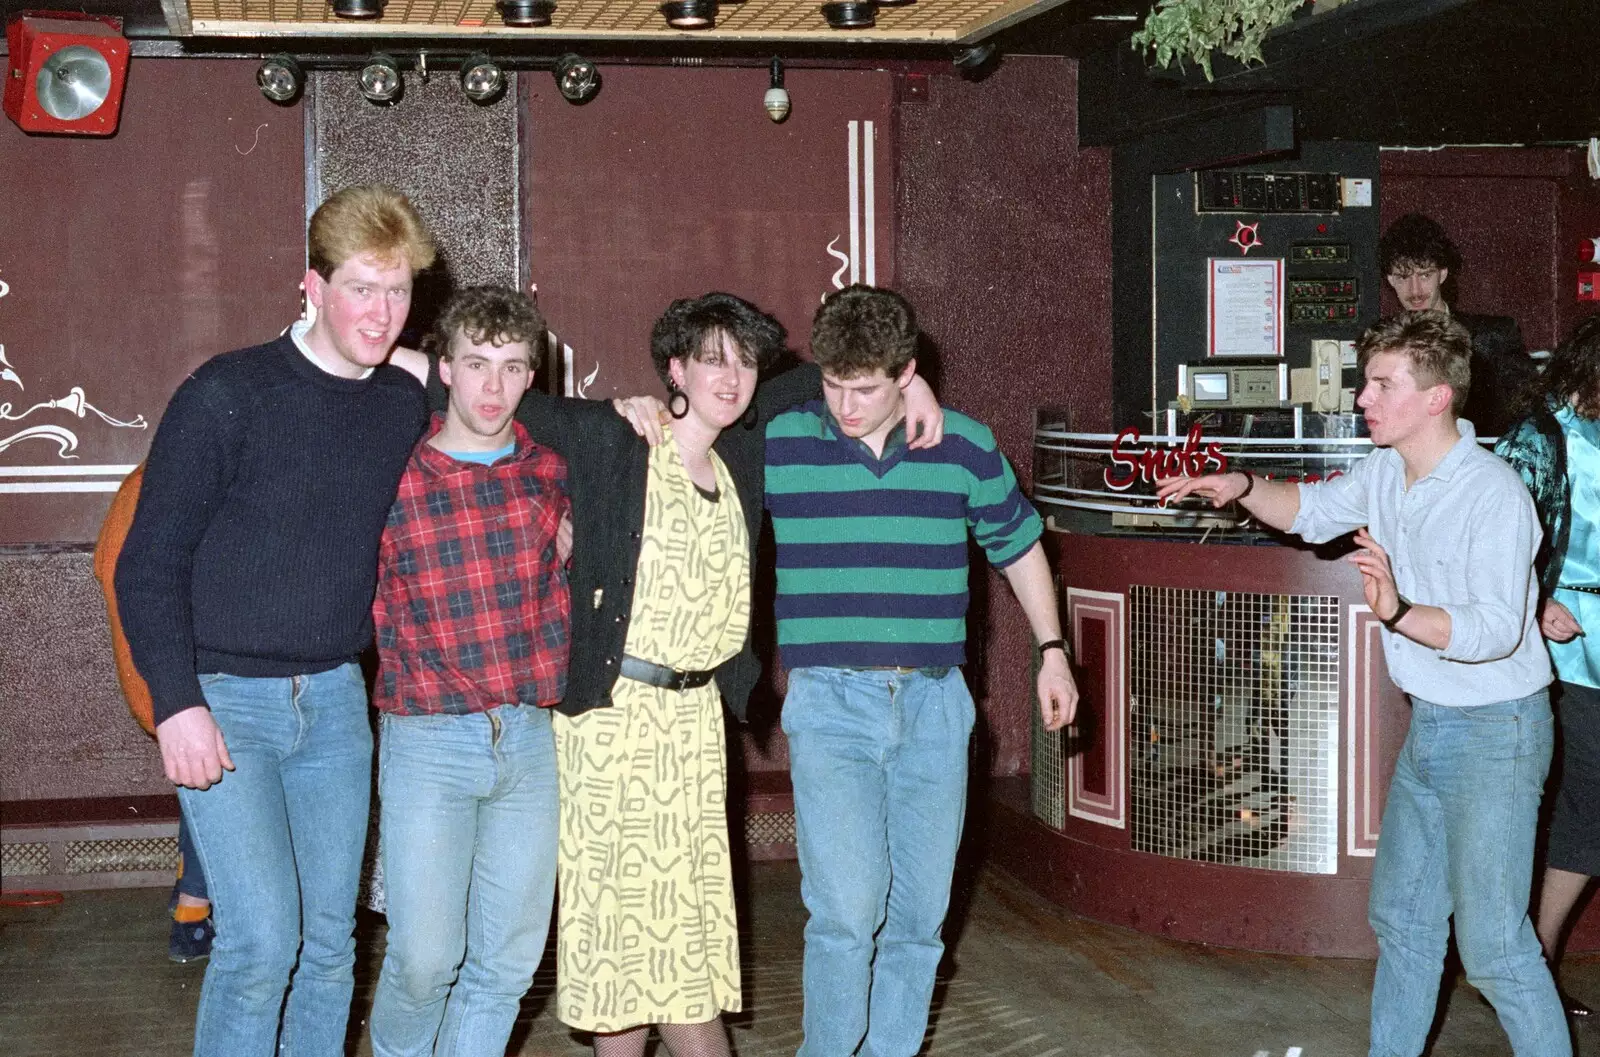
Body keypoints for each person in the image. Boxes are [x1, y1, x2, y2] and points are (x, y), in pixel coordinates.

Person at [393, 291, 943, 1057]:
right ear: (674, 368)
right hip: (614, 731)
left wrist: (913, 382)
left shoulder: (740, 456)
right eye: (711, 358)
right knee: (632, 958)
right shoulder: (617, 439)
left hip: (693, 734)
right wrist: (356, 340)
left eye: (744, 361)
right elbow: (476, 385)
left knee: (670, 950)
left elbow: (827, 378)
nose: (731, 376)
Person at [1158, 310, 1565, 1057]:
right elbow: (1311, 512)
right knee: (1404, 922)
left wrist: (1400, 610)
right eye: (1366, 382)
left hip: (1497, 731)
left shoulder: (1494, 493)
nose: (1362, 398)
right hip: (1434, 725)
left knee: (1495, 948)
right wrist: (1243, 483)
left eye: (1383, 383)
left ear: (1438, 397)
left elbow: (1495, 630)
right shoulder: (1385, 472)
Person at [116, 183, 436, 1057]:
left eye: (399, 290)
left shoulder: (399, 400)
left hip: (335, 700)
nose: (382, 312)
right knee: (261, 945)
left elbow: (502, 393)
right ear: (311, 286)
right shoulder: (226, 394)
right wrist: (175, 702)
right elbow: (147, 564)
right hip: (225, 704)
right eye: (362, 288)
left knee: (330, 948)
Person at [765, 284, 1079, 1057]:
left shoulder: (964, 446)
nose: (843, 403)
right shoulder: (782, 441)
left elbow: (1020, 548)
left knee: (917, 917)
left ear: (905, 372)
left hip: (936, 705)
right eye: (832, 383)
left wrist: (1053, 651)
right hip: (830, 701)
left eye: (864, 387)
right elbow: (729, 394)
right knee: (845, 909)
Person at [367, 286, 570, 1057]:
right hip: (428, 740)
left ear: (531, 377)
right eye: (476, 363)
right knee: (424, 960)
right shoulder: (395, 469)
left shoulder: (552, 470)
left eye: (513, 367)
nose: (493, 386)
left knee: (506, 963)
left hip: (527, 738)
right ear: (442, 369)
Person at [1496, 312, 1600, 1020]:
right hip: (1568, 647)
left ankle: (1532, 953)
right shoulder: (1543, 434)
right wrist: (1534, 601)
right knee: (1587, 799)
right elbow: (1489, 536)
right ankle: (1531, 951)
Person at [92, 465, 214, 964]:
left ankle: (194, 897)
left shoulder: (150, 482)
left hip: (179, 674)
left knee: (208, 778)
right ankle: (193, 907)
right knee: (215, 773)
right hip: (188, 673)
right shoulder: (159, 485)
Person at [1379, 212, 1534, 436]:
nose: (1414, 291)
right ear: (1391, 280)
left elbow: (1527, 410)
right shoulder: (1381, 342)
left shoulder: (1493, 336)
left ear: (1442, 273)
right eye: (1403, 278)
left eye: (1424, 276)